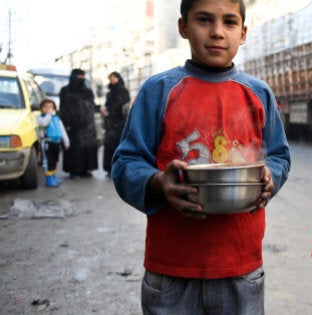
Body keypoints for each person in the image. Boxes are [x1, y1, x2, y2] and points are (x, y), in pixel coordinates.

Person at [111, 0, 291, 313]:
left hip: (241, 266)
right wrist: (157, 182)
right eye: (204, 20)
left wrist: (270, 177)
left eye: (230, 22)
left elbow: (278, 156)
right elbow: (126, 163)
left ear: (243, 32)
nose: (217, 32)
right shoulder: (159, 90)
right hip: (171, 268)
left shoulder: (258, 93)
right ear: (183, 27)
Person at [59, 68, 99, 178]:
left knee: (87, 148)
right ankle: (74, 170)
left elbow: (91, 106)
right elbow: (63, 108)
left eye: (83, 77)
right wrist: (66, 122)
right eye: (79, 77)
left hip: (87, 125)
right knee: (75, 148)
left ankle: (86, 169)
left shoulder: (87, 91)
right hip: (72, 125)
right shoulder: (65, 90)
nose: (81, 79)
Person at [100, 72, 130, 177]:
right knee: (109, 146)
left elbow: (123, 107)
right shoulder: (110, 92)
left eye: (113, 77)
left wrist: (109, 112)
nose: (112, 79)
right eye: (110, 78)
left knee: (118, 145)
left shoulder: (123, 91)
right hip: (110, 123)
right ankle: (109, 168)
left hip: (120, 123)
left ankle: (118, 169)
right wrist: (104, 110)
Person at [36, 99, 70, 187]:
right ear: (41, 108)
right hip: (47, 142)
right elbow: (44, 123)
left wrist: (66, 142)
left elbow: (62, 131)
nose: (48, 109)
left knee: (55, 160)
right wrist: (48, 115)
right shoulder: (41, 118)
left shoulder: (57, 119)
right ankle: (49, 178)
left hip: (56, 143)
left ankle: (53, 175)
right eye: (45, 107)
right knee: (48, 161)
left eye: (50, 107)